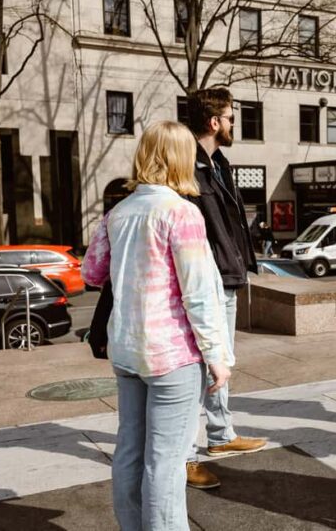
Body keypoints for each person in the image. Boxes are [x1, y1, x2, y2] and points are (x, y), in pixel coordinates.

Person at [81, 121, 231, 530]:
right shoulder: (182, 212)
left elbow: (91, 273)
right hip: (173, 354)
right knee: (166, 461)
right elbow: (197, 292)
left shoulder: (118, 212)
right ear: (180, 158)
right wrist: (217, 355)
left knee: (130, 449)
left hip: (127, 349)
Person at [184, 87, 266, 489]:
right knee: (202, 369)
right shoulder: (188, 165)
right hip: (208, 279)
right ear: (215, 122)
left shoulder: (219, 163)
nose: (235, 124)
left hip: (228, 276)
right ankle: (184, 456)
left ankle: (220, 436)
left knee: (221, 364)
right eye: (232, 117)